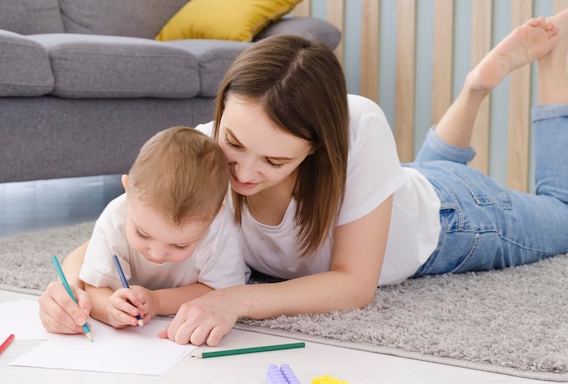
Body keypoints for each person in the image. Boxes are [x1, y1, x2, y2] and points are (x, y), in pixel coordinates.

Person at [39, 11, 568, 346]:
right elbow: (129, 223)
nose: (244, 175)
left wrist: (236, 301)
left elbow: (355, 285)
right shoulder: (201, 148)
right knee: (414, 173)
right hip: (402, 185)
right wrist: (64, 288)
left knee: (561, 213)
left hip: (455, 220)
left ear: (318, 149)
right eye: (235, 146)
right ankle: (473, 90)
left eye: (274, 163)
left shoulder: (359, 124)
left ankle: (539, 67)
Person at [49, 126, 249, 330]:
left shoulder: (220, 229)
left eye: (180, 245)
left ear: (214, 217)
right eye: (143, 234)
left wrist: (157, 301)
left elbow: (221, 294)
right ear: (127, 191)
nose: (157, 253)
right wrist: (109, 309)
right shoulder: (115, 216)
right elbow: (94, 285)